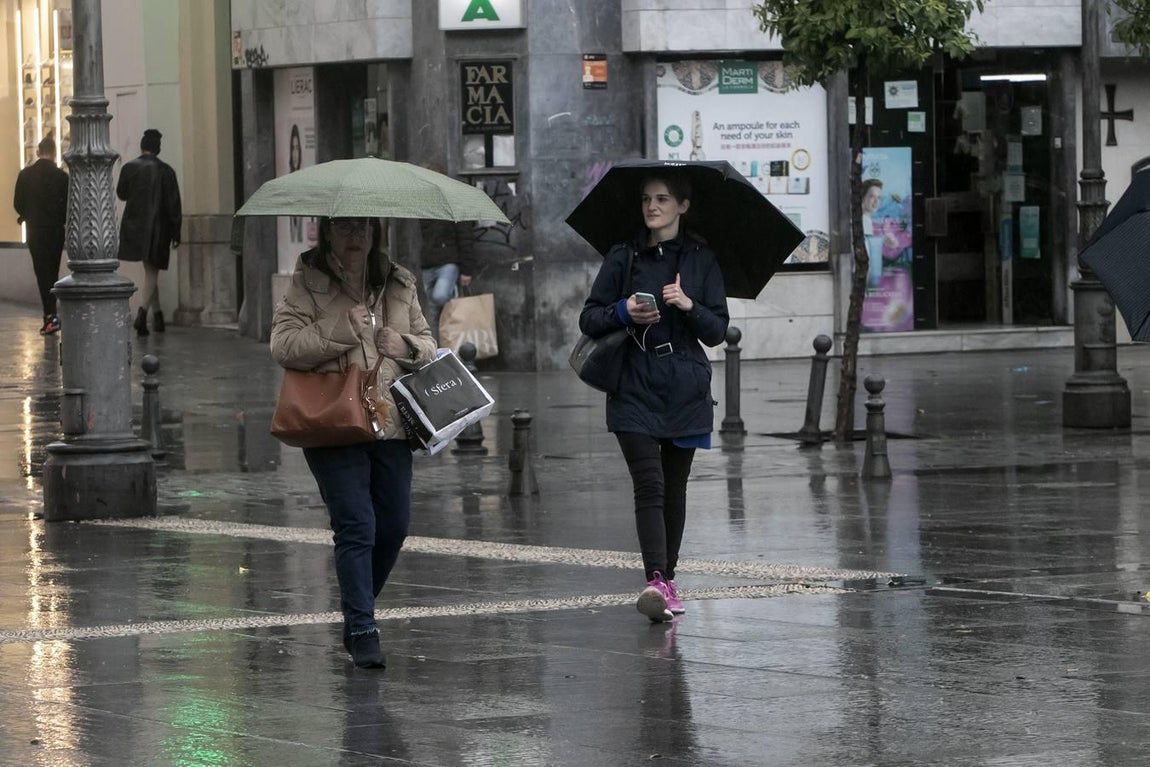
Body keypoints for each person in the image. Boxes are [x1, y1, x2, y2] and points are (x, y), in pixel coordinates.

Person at [270, 216, 436, 669]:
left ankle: (355, 607)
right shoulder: (308, 282)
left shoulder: (398, 282)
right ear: (327, 233)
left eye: (362, 228)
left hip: (390, 420)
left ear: (375, 233)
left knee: (394, 526)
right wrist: (343, 328)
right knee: (357, 524)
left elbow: (428, 344)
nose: (355, 237)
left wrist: (402, 344)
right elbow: (283, 345)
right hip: (332, 419)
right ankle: (363, 627)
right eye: (344, 228)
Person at [578, 173, 729, 623]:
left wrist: (687, 304)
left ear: (683, 205)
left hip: (685, 384)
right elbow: (590, 317)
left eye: (663, 199)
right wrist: (625, 310)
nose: (652, 206)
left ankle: (669, 579)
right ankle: (656, 578)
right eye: (646, 199)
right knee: (650, 484)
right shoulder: (623, 255)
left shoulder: (702, 258)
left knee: (675, 489)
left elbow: (717, 330)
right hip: (633, 382)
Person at [116, 128, 182, 337]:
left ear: (142, 146)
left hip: (136, 227)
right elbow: (174, 205)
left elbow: (121, 194)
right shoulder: (167, 172)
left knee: (150, 271)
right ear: (158, 148)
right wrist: (176, 231)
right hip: (159, 229)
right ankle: (143, 315)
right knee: (152, 271)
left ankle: (159, 315)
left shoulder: (129, 168)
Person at [13, 136, 69, 335]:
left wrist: (27, 215)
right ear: (54, 153)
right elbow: (68, 206)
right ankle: (51, 314)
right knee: (52, 271)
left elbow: (18, 203)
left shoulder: (25, 175)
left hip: (35, 230)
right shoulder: (62, 177)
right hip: (55, 230)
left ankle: (49, 314)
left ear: (38, 151)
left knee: (41, 271)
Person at [419, 214, 476, 342]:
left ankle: (456, 347)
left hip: (449, 262)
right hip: (428, 263)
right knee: (431, 313)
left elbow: (465, 238)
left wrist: (467, 270)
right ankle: (436, 351)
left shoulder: (456, 208)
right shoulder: (426, 209)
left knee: (440, 296)